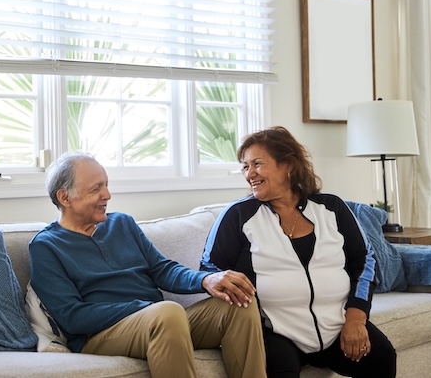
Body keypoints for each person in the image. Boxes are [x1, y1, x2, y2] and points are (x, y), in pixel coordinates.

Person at [28, 151, 267, 378]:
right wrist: (143, 308)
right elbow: (73, 316)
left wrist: (206, 280)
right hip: (100, 335)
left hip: (160, 321)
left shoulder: (122, 223)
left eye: (106, 185)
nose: (107, 195)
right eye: (96, 189)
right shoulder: (46, 246)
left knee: (239, 302)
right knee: (166, 313)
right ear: (64, 197)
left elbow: (162, 269)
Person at [201, 127, 396, 378]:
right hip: (274, 330)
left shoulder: (332, 208)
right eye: (245, 167)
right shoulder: (238, 216)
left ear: (288, 165)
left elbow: (364, 261)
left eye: (257, 164)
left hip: (337, 324)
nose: (250, 174)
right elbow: (210, 269)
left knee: (382, 357)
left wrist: (356, 319)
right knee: (281, 368)